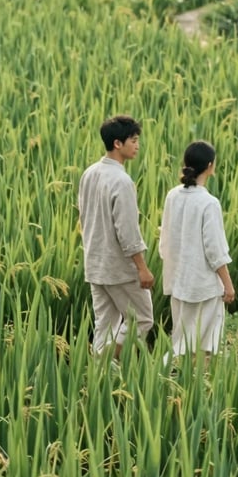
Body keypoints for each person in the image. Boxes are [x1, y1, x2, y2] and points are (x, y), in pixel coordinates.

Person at [78, 114, 155, 359]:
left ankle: (98, 378)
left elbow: (84, 217)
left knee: (105, 324)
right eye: (133, 140)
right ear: (117, 144)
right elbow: (128, 231)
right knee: (142, 319)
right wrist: (142, 268)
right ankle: (107, 361)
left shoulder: (89, 173)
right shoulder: (121, 181)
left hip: (94, 263)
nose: (137, 145)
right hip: (118, 266)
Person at [159, 140, 235, 357]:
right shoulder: (208, 203)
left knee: (182, 339)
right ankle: (193, 385)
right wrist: (228, 286)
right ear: (210, 166)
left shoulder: (173, 195)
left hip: (177, 281)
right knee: (203, 346)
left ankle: (177, 382)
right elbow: (215, 250)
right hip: (202, 286)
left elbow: (165, 238)